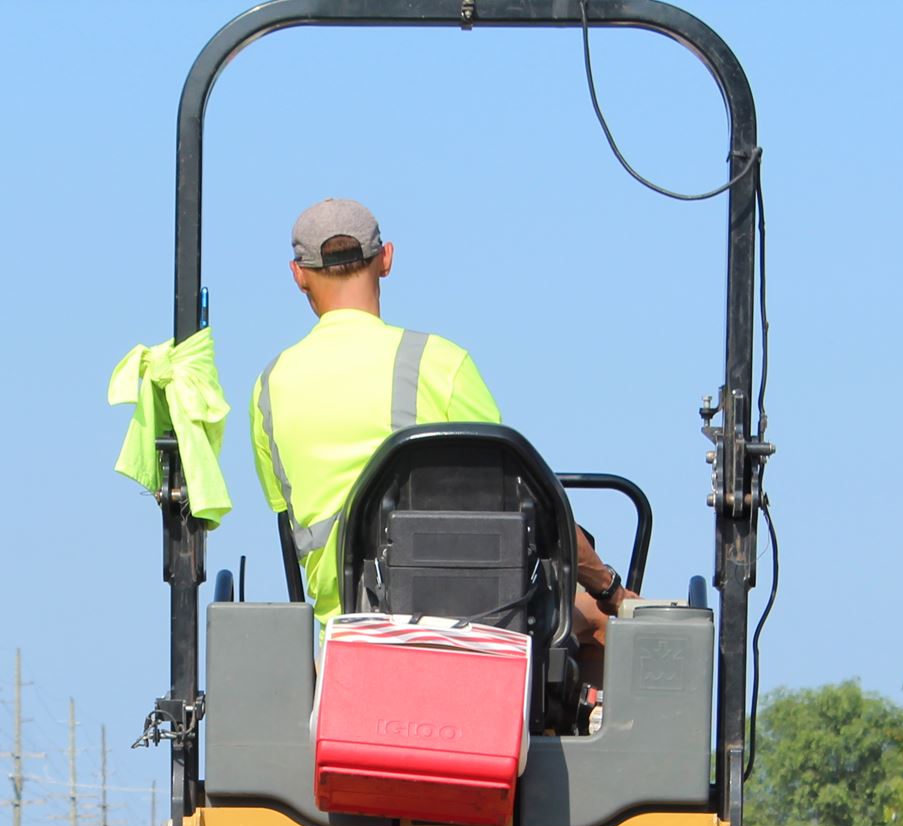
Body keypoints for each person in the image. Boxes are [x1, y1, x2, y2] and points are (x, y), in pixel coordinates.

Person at [248, 197, 627, 659]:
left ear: (298, 274)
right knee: (608, 627)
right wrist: (609, 588)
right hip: (474, 634)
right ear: (385, 259)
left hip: (348, 640)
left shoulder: (270, 387)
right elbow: (526, 503)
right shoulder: (440, 364)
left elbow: (287, 516)